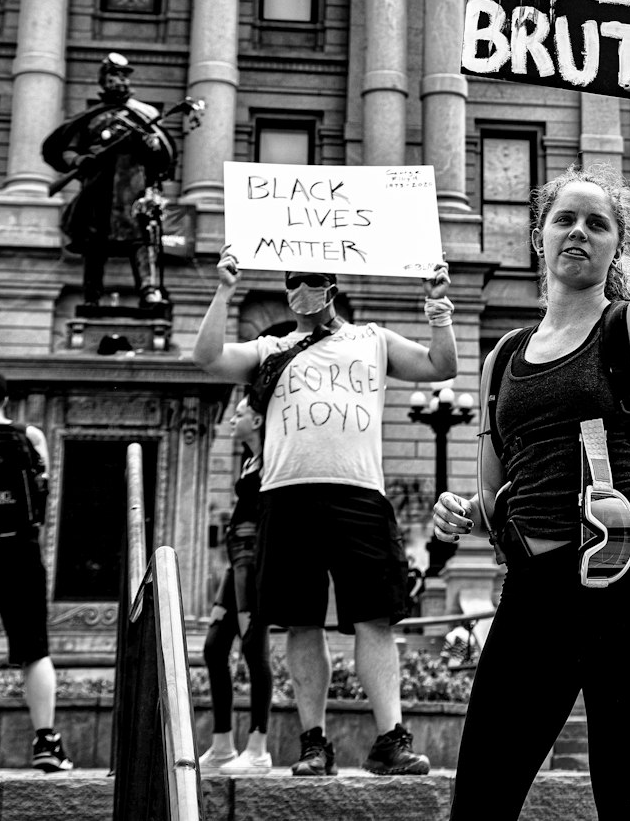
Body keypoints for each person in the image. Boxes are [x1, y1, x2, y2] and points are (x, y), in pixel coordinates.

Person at [432, 78, 630, 821]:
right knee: (481, 798)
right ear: (539, 237)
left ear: (618, 243)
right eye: (564, 219)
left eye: (597, 222)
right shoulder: (501, 358)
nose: (578, 232)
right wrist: (463, 510)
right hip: (537, 591)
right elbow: (497, 502)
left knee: (626, 800)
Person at [193, 254, 456, 778]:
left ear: (331, 285)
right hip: (287, 497)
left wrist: (437, 309)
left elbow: (440, 366)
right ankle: (314, 742)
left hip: (359, 494)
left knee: (374, 619)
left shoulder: (373, 339)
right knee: (301, 621)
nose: (300, 290)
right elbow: (208, 358)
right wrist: (224, 291)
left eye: (310, 280)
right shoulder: (272, 349)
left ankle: (390, 740)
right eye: (291, 282)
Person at [41, 52, 176, 308]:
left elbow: (160, 156)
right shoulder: (91, 117)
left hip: (133, 189)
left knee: (142, 239)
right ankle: (91, 296)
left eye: (123, 76)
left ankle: (149, 290)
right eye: (114, 76)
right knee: (95, 245)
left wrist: (151, 144)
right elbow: (69, 150)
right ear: (103, 81)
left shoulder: (145, 114)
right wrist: (78, 161)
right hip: (97, 189)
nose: (120, 81)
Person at [0, 368, 72, 773]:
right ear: (5, 399)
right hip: (20, 550)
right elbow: (43, 493)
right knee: (34, 650)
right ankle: (46, 742)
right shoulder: (30, 437)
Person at [198, 393, 273, 777]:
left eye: (239, 414)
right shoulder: (249, 461)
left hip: (254, 564)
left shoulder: (275, 459)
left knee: (252, 649)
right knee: (213, 648)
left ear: (257, 421)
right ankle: (223, 745)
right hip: (235, 562)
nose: (233, 419)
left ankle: (258, 748)